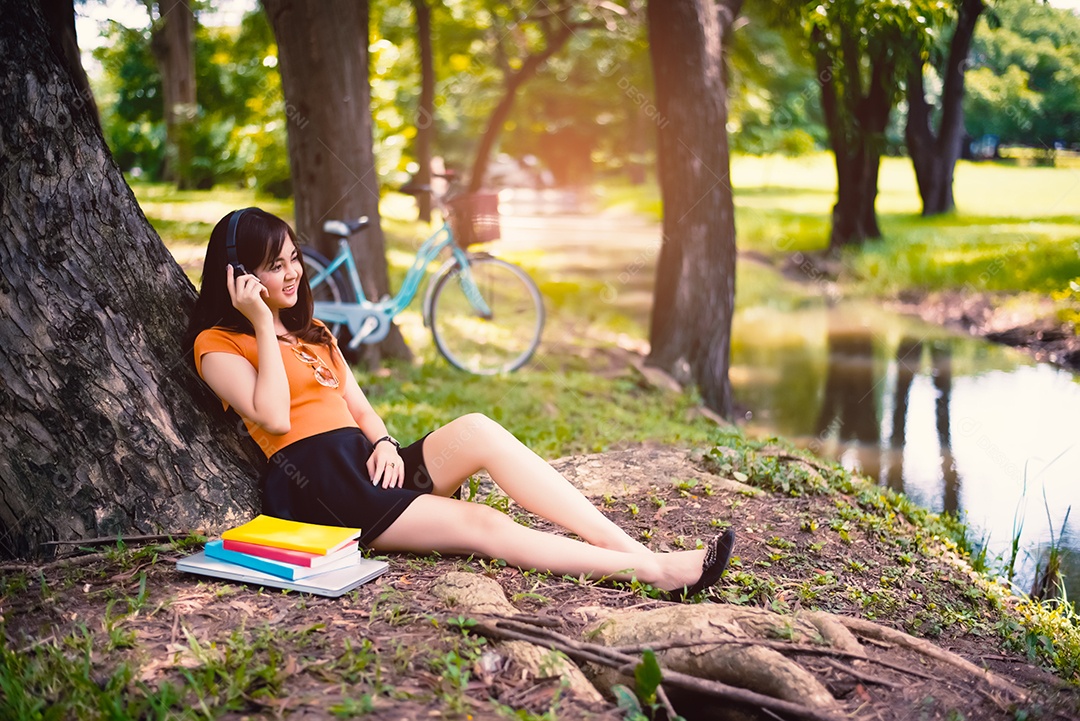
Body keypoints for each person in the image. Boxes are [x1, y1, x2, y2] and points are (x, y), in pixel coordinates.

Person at [185, 208, 734, 599]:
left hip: (367, 464)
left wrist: (382, 442)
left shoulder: (315, 333)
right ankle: (655, 573)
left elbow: (359, 406)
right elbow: (274, 418)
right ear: (238, 276)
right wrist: (260, 323)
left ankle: (629, 549)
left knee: (479, 429)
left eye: (292, 259)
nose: (292, 274)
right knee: (483, 524)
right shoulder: (218, 345)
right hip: (324, 491)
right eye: (274, 265)